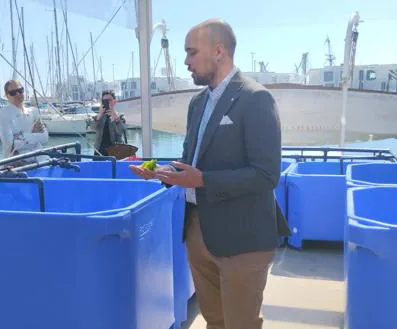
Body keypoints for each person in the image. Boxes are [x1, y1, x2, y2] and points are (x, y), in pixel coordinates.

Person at [130, 19, 290, 329]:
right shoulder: (197, 103)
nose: (186, 62)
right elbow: (192, 160)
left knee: (240, 324)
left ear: (218, 51)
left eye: (191, 52)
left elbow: (266, 174)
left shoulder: (256, 99)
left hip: (243, 238)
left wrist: (203, 181)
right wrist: (162, 172)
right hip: (198, 231)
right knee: (214, 321)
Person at [0, 80, 48, 163]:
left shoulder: (34, 111)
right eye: (13, 92)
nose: (18, 94)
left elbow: (45, 137)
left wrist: (21, 137)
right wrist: (33, 135)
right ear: (7, 96)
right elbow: (9, 143)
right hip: (17, 163)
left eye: (20, 90)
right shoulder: (3, 113)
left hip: (40, 160)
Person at [92, 90, 127, 156]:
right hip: (99, 151)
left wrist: (115, 117)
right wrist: (99, 115)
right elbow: (93, 128)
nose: (107, 102)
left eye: (109, 100)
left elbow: (120, 131)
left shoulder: (120, 116)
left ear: (114, 101)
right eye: (104, 100)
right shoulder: (99, 116)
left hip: (116, 151)